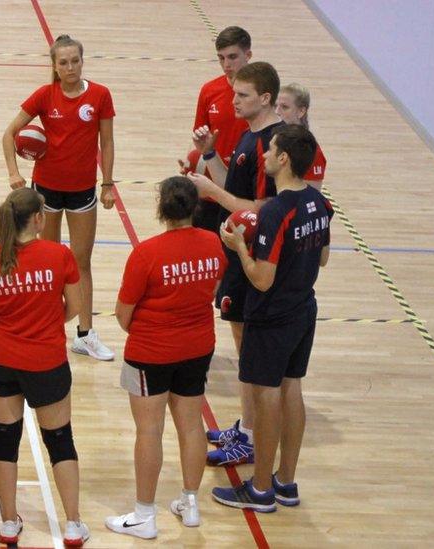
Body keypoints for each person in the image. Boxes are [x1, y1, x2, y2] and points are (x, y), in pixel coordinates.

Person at [212, 125, 332, 512]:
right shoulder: (318, 202)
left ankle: (260, 489)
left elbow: (261, 279)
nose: (263, 155)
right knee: (292, 389)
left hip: (272, 315)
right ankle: (286, 481)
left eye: (271, 150)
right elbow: (324, 257)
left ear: (284, 160)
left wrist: (239, 248)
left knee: (266, 399)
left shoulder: (277, 212)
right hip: (303, 309)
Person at [105, 177, 225, 539]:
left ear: (162, 210)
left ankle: (144, 515)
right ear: (195, 207)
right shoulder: (213, 244)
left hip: (150, 352)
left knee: (149, 430)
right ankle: (190, 504)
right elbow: (212, 290)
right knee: (191, 426)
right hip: (198, 347)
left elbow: (123, 313)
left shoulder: (147, 253)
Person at [0, 188, 88, 547]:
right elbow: (75, 306)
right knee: (60, 440)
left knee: (5, 442)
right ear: (38, 219)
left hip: (1, 360)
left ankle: (8, 523)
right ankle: (72, 526)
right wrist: (49, 322)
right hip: (47, 361)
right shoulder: (58, 255)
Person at [187, 61, 285, 467]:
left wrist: (211, 191)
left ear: (265, 98)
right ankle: (245, 426)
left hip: (253, 258)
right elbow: (233, 185)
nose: (233, 101)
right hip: (237, 252)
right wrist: (210, 156)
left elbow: (262, 209)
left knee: (250, 354)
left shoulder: (271, 145)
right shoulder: (250, 136)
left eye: (242, 96)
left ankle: (249, 437)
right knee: (242, 347)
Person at [2, 34, 117, 362]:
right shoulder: (44, 95)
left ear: (82, 61)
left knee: (81, 262)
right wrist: (13, 172)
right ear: (54, 66)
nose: (70, 67)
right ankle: (48, 329)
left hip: (83, 190)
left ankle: (85, 335)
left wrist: (107, 184)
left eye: (75, 61)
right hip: (46, 191)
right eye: (63, 62)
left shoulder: (99, 95)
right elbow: (8, 134)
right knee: (49, 261)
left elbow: (106, 143)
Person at [185, 26, 252, 232]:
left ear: (248, 55)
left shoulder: (263, 94)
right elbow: (201, 141)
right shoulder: (209, 90)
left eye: (232, 57)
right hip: (212, 193)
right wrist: (192, 164)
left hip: (245, 194)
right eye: (221, 58)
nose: (226, 64)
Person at [275, 83, 327, 189]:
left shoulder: (312, 152)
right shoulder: (271, 138)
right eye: (276, 106)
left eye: (284, 107)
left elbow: (311, 195)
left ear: (301, 111)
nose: (277, 112)